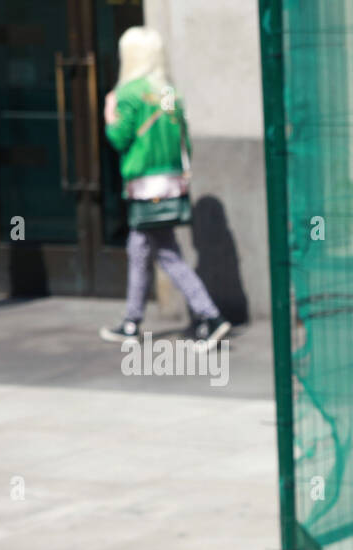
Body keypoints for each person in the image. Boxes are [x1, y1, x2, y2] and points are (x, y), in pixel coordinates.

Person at [98, 27, 229, 346]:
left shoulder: (129, 94)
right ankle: (132, 321)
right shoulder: (168, 92)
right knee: (143, 250)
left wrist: (108, 113)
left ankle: (210, 316)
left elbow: (119, 138)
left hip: (145, 187)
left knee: (164, 254)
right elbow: (183, 140)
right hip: (170, 184)